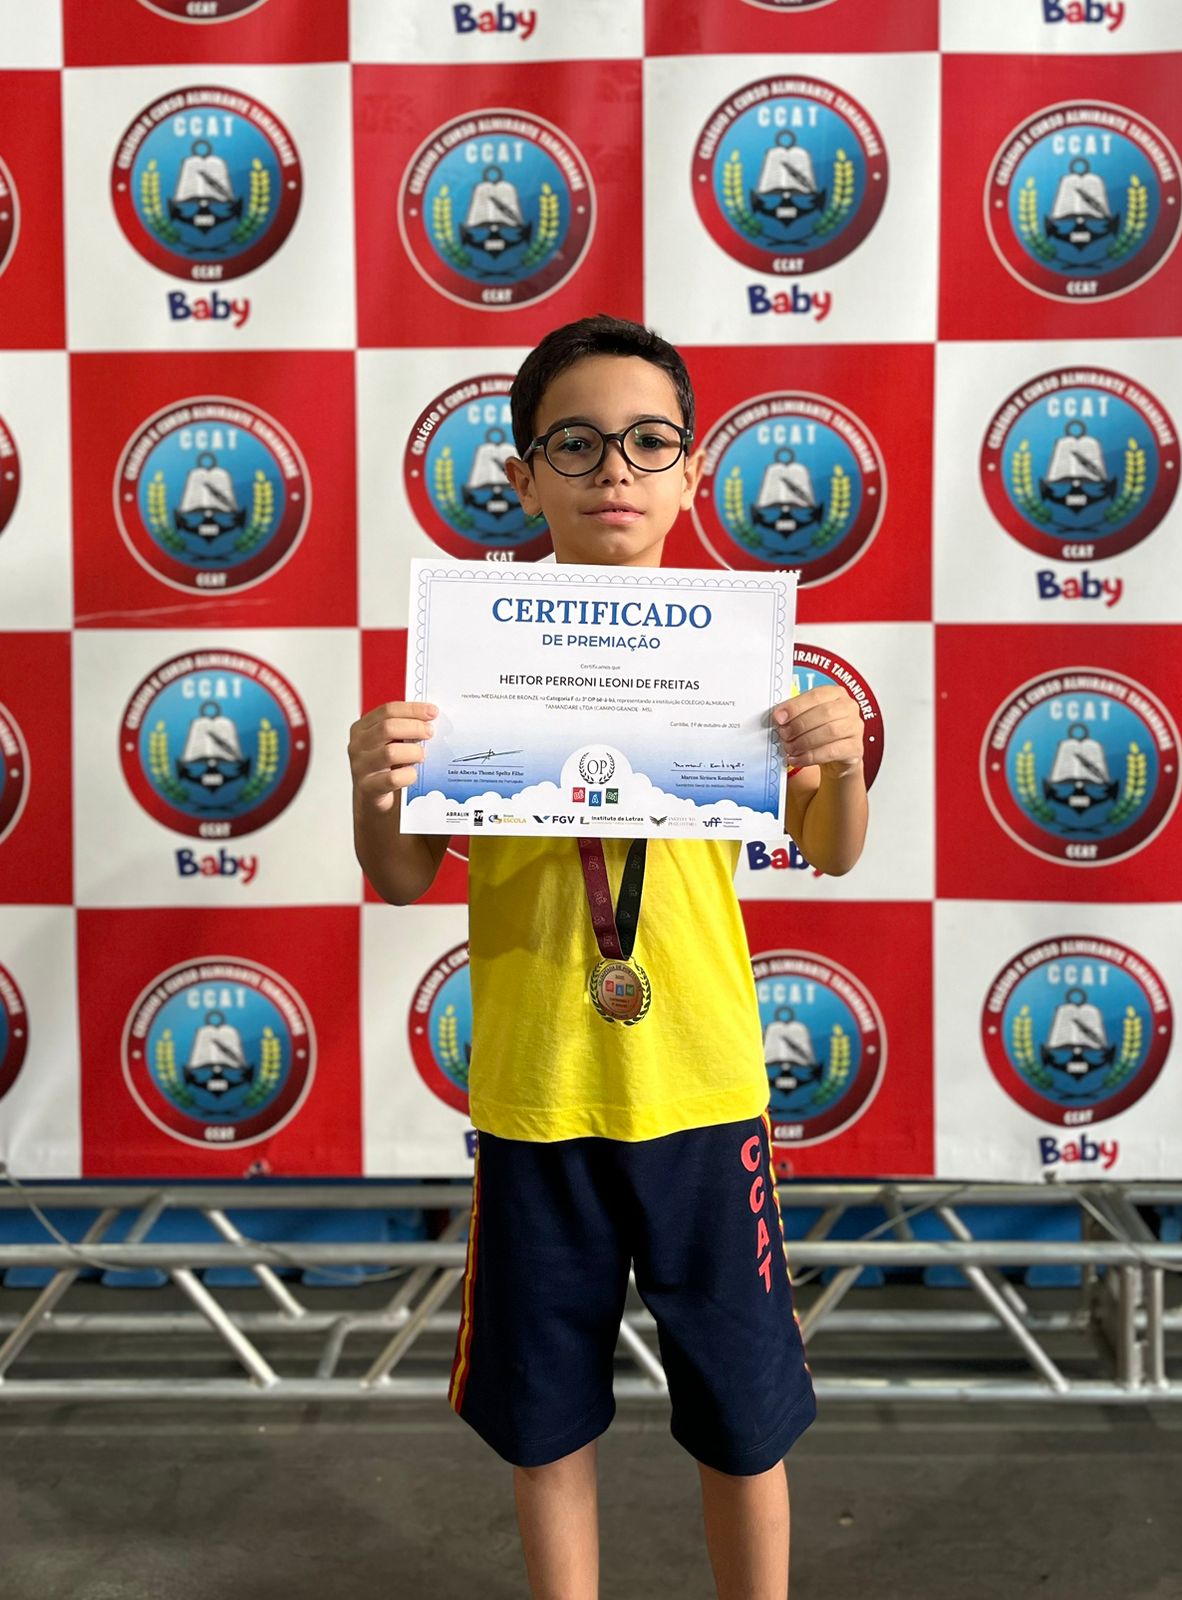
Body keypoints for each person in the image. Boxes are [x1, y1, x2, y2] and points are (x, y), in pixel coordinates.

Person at [348, 315, 868, 1600]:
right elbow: (403, 875)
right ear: (523, 477)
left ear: (693, 472)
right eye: (574, 444)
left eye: (648, 442)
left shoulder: (739, 659)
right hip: (539, 1092)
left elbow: (832, 848)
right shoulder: (472, 663)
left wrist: (844, 760)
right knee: (546, 1416)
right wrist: (376, 782)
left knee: (743, 1413)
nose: (614, 470)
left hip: (701, 1083)